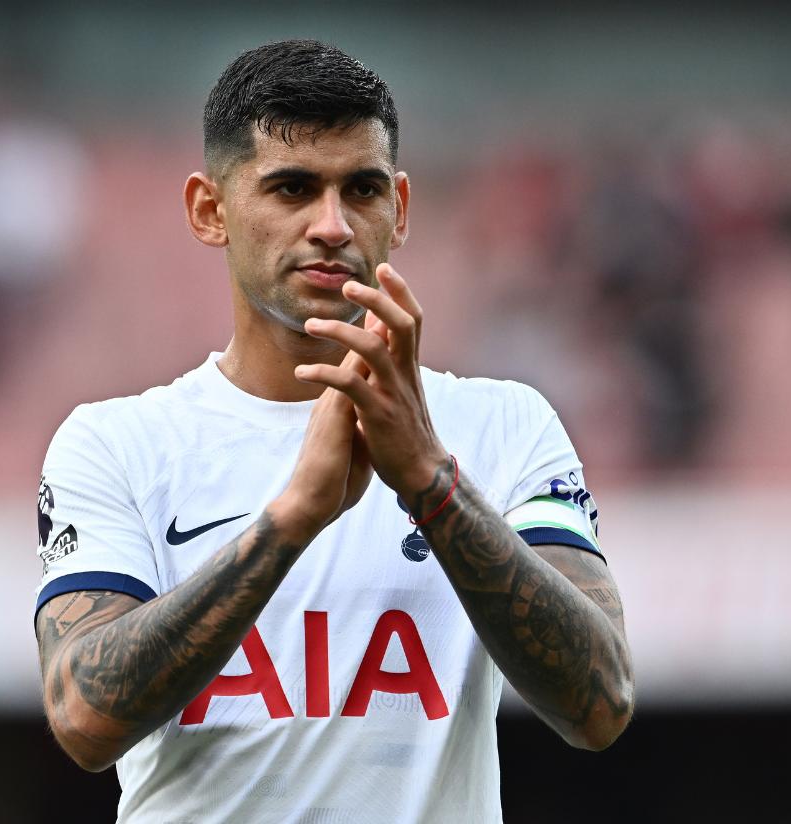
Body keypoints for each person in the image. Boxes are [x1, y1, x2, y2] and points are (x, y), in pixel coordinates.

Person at [34, 39, 634, 823]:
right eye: (292, 188)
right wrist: (292, 519)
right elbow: (84, 720)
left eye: (363, 189)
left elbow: (601, 702)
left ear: (401, 208)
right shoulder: (116, 444)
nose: (332, 224)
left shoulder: (505, 425)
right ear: (210, 210)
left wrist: (433, 485)